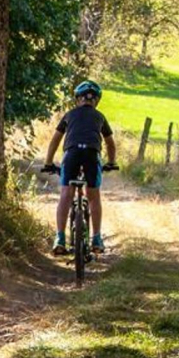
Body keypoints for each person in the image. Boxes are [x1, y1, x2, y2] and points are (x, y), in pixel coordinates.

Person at [41, 80, 117, 255]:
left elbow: (55, 140)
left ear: (78, 99)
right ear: (96, 101)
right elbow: (110, 144)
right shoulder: (100, 117)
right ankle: (96, 239)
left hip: (72, 154)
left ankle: (59, 238)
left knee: (66, 194)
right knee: (93, 195)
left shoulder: (69, 115)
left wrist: (48, 163)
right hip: (91, 154)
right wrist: (111, 162)